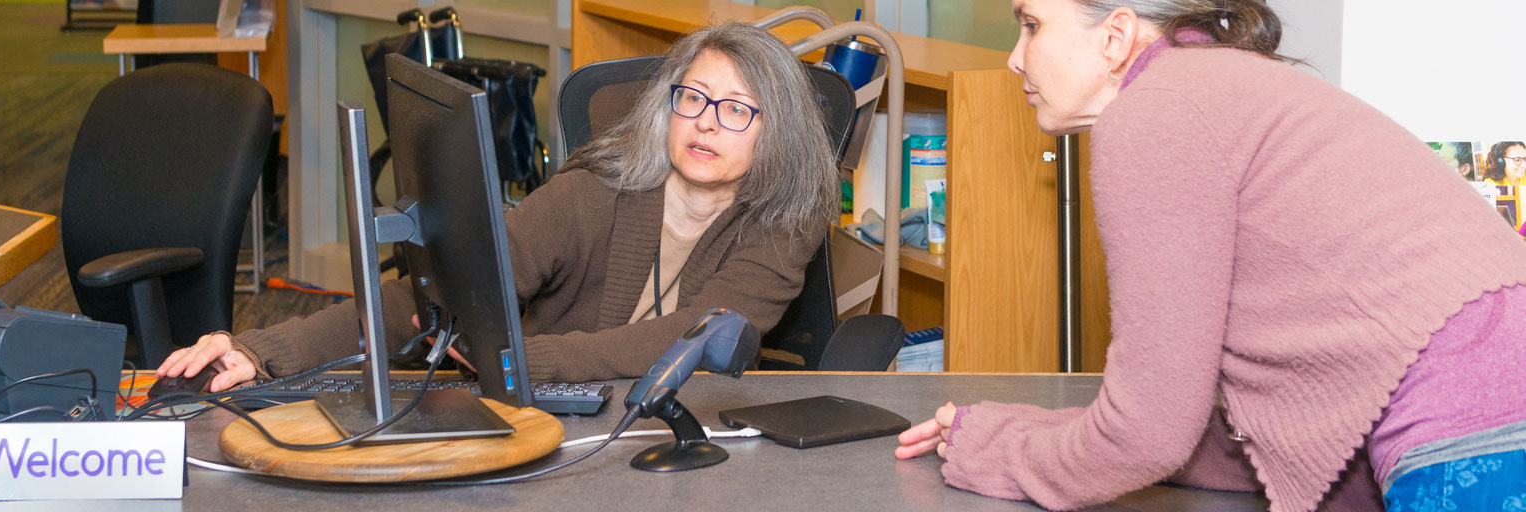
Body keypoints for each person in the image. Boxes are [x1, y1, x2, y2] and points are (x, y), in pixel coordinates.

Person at [894, 1, 1526, 511]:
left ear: (1115, 36)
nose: (1014, 58)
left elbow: (1148, 437)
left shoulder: (1155, 114)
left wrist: (997, 454)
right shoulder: (1215, 85)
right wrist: (1032, 432)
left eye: (1031, 25)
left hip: (1473, 423)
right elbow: (1272, 446)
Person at [156, 21, 839, 388]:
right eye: (691, 98)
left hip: (703, 444)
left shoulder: (790, 218)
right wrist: (263, 348)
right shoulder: (591, 193)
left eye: (736, 109)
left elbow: (700, 332)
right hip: (560, 432)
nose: (705, 122)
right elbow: (440, 296)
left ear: (776, 131)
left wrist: (521, 360)